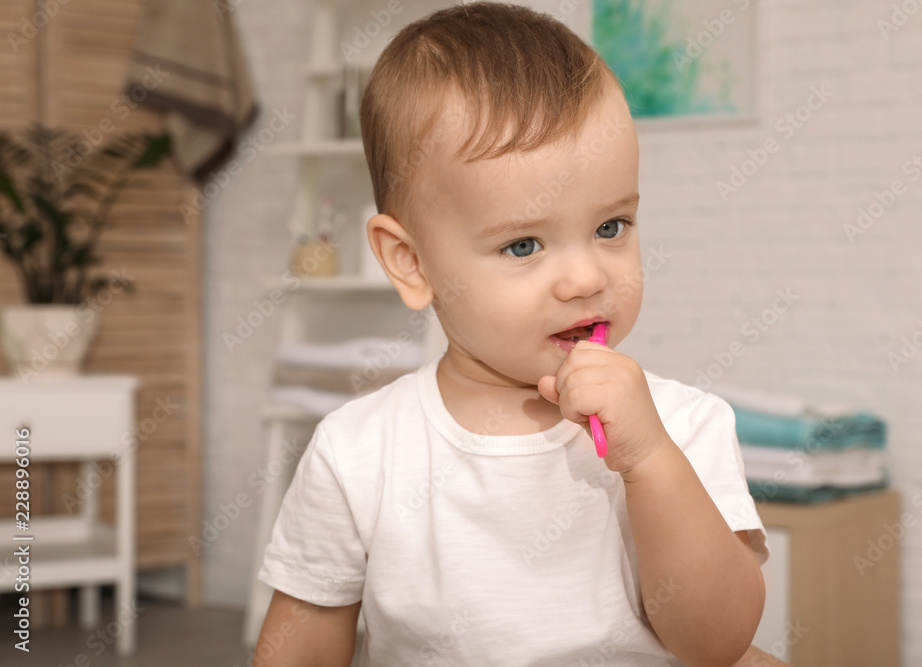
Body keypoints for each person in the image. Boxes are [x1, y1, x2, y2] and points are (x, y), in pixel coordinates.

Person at [255, 3, 769, 665]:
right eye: (524, 244)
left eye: (611, 227)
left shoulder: (684, 426)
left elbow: (719, 642)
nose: (586, 276)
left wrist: (649, 461)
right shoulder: (358, 454)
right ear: (411, 263)